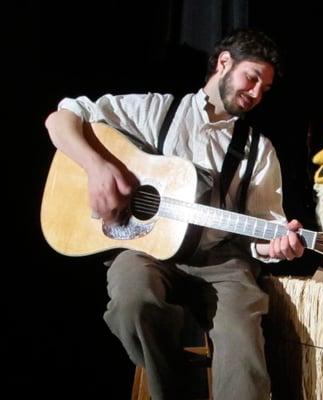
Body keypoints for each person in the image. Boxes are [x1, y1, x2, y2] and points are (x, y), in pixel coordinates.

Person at [44, 28, 305, 400]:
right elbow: (62, 117)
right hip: (147, 251)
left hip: (221, 263)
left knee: (241, 341)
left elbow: (264, 231)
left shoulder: (258, 151)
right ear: (224, 63)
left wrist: (274, 247)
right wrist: (97, 168)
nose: (256, 93)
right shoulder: (155, 110)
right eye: (252, 78)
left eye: (265, 88)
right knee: (131, 301)